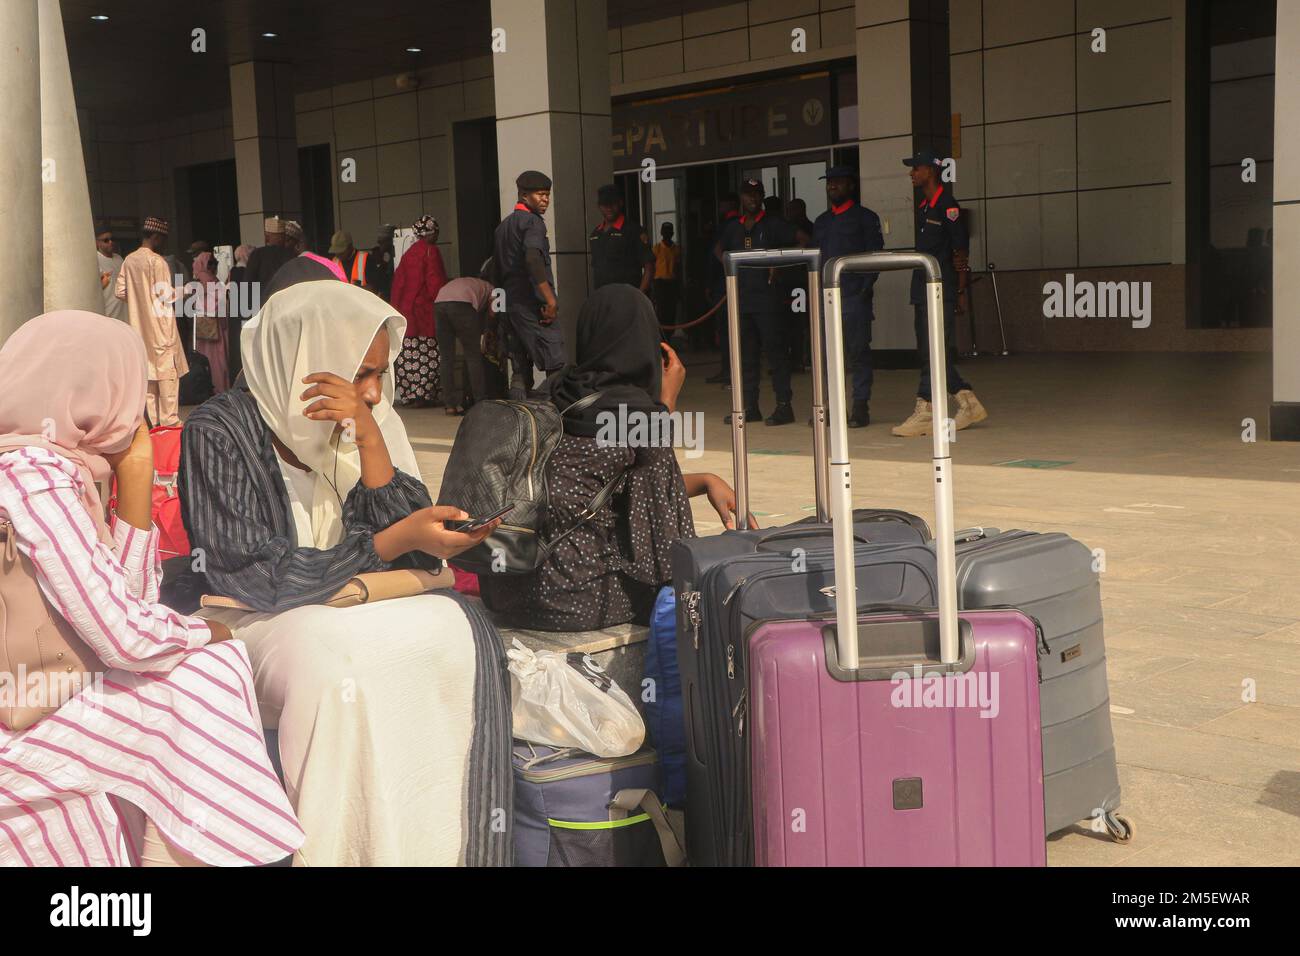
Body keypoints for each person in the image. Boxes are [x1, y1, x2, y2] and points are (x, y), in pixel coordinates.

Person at [179, 278, 512, 866]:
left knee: (456, 632)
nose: (375, 393)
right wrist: (387, 543)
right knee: (325, 663)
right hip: (251, 617)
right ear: (306, 358)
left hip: (349, 607)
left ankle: (435, 850)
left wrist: (373, 444)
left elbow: (418, 551)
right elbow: (253, 574)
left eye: (380, 374)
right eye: (361, 373)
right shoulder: (218, 430)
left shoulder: (361, 422)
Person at [0, 310, 303, 867]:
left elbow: (128, 607)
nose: (136, 410)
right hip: (20, 707)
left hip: (55, 682)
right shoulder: (32, 474)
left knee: (205, 671)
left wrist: (135, 485)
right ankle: (241, 852)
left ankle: (225, 848)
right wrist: (199, 630)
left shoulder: (59, 468)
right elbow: (125, 639)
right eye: (130, 390)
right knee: (210, 668)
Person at [479, 284, 752, 632]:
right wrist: (665, 406)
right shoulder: (637, 415)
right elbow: (656, 536)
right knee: (695, 585)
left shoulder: (554, 392)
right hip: (571, 599)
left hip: (506, 587)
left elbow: (610, 485)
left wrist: (706, 481)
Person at [893, 150, 989, 437]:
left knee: (933, 350)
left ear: (931, 171)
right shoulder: (924, 206)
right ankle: (963, 400)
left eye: (916, 169)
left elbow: (960, 252)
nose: (911, 174)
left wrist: (959, 291)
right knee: (927, 349)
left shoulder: (948, 205)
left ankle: (931, 407)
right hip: (922, 286)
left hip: (940, 288)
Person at [715, 179, 798, 426]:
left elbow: (802, 240)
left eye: (756, 194)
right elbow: (718, 249)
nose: (752, 199)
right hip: (742, 299)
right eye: (748, 195)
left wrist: (778, 263)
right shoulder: (734, 227)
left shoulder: (773, 224)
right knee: (747, 356)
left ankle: (784, 406)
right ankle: (750, 407)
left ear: (762, 197)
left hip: (768, 300)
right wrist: (729, 266)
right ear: (741, 198)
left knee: (775, 353)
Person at [814, 165, 883, 428]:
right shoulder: (822, 221)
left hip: (855, 297)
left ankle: (860, 406)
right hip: (827, 298)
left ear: (850, 186)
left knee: (858, 354)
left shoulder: (865, 217)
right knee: (830, 357)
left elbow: (875, 255)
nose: (832, 186)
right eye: (829, 182)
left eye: (838, 182)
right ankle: (832, 407)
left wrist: (865, 288)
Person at [493, 170, 563, 398]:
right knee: (555, 364)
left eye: (548, 195)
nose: (546, 200)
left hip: (511, 308)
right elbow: (533, 259)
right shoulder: (533, 223)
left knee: (520, 370)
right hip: (533, 306)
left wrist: (497, 313)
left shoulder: (502, 228)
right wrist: (550, 299)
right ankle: (559, 419)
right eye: (540, 195)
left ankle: (518, 422)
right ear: (524, 196)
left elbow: (496, 273)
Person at [114, 216, 188, 427]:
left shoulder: (129, 260)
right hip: (161, 327)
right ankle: (170, 422)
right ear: (156, 237)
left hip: (139, 328)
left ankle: (154, 424)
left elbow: (120, 291)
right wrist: (186, 290)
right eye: (162, 239)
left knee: (149, 376)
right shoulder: (157, 262)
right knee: (167, 376)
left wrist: (140, 298)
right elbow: (166, 295)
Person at [390, 215, 448, 408]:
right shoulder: (431, 252)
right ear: (431, 233)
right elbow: (435, 284)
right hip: (425, 313)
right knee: (428, 353)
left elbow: (398, 285)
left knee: (410, 354)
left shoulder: (408, 254)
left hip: (407, 313)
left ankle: (412, 394)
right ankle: (425, 394)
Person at [434, 269, 494, 415]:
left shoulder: (467, 282)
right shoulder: (491, 288)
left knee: (447, 357)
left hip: (439, 304)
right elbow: (493, 312)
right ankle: (480, 401)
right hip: (462, 305)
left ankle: (450, 405)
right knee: (473, 355)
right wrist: (488, 329)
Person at [705, 193, 742, 385]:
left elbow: (717, 253)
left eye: (723, 202)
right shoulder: (732, 224)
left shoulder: (731, 225)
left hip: (725, 284)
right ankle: (728, 370)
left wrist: (728, 272)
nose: (720, 206)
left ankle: (731, 371)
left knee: (728, 330)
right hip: (725, 283)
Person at [589, 184, 653, 293]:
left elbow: (649, 267)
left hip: (627, 299)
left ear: (620, 203)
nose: (609, 208)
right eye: (605, 204)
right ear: (599, 206)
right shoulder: (595, 235)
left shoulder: (633, 231)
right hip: (603, 300)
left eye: (612, 203)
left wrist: (639, 296)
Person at [191, 246, 229, 393]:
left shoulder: (198, 282)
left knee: (206, 360)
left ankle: (207, 389)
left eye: (214, 263)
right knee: (219, 363)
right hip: (217, 329)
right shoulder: (214, 283)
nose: (214, 267)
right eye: (211, 264)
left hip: (204, 331)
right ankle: (220, 389)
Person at [244, 216, 295, 293]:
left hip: (264, 301)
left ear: (266, 238)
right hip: (286, 301)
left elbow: (248, 283)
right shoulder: (292, 254)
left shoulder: (258, 254)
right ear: (284, 237)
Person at [652, 222, 682, 329]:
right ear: (661, 233)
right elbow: (652, 268)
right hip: (660, 283)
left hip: (672, 283)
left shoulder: (676, 249)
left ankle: (669, 335)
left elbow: (678, 268)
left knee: (671, 311)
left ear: (672, 233)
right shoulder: (657, 248)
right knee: (661, 311)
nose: (667, 233)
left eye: (669, 231)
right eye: (665, 231)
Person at [95, 226, 125, 320]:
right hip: (108, 314)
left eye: (112, 239)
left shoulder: (119, 259)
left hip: (123, 312)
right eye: (106, 240)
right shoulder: (95, 260)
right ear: (97, 243)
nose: (110, 242)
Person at [369, 224, 397, 300]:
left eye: (383, 242)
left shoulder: (396, 253)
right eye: (380, 242)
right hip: (382, 293)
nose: (381, 245)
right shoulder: (376, 254)